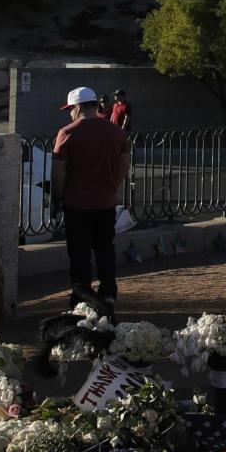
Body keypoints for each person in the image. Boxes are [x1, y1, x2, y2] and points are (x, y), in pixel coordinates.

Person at [55, 84, 129, 312]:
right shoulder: (117, 133)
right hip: (106, 202)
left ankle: (82, 297)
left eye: (70, 109)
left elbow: (58, 172)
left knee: (79, 254)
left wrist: (58, 198)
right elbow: (124, 165)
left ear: (78, 108)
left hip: (77, 204)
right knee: (105, 250)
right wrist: (111, 186)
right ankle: (108, 294)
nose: (69, 113)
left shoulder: (67, 133)